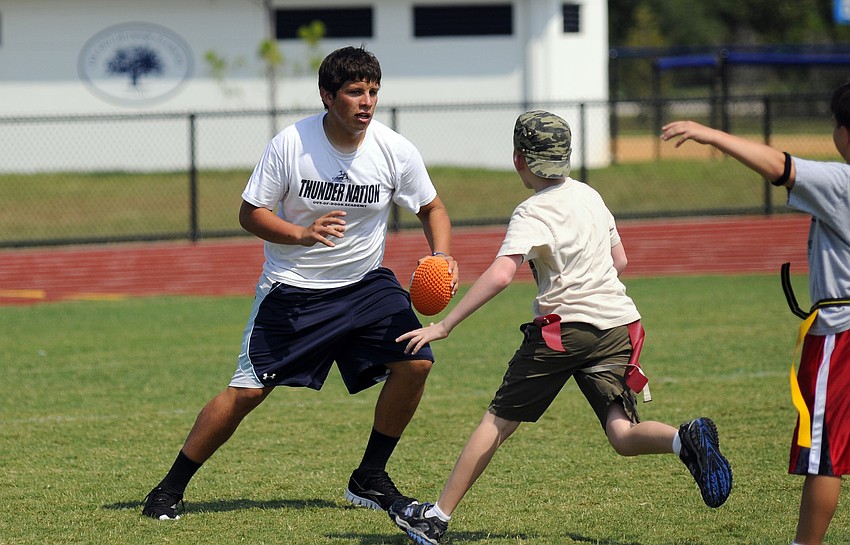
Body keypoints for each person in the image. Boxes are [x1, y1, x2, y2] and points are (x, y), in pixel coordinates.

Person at [142, 45, 458, 520]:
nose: (367, 101)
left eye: (373, 91)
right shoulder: (291, 144)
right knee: (247, 392)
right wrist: (301, 234)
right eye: (355, 92)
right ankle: (168, 488)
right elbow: (251, 214)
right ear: (328, 96)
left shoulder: (394, 149)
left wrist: (442, 254)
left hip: (366, 286)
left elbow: (432, 208)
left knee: (415, 362)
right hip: (294, 289)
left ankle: (369, 475)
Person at [388, 110, 733, 545]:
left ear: (519, 159)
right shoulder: (591, 196)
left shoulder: (531, 211)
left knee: (497, 422)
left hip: (563, 331)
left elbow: (499, 275)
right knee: (621, 433)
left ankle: (435, 518)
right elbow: (619, 262)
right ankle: (684, 440)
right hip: (618, 325)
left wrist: (445, 325)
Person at [660, 81, 850, 545]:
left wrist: (712, 135)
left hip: (841, 337)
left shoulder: (843, 183)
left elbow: (780, 167)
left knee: (826, 456)